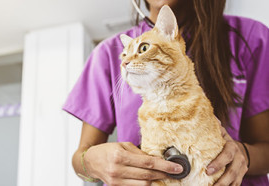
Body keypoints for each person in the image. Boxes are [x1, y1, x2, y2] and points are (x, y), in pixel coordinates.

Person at [63, 0, 269, 185]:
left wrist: (244, 155)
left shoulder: (250, 37)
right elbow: (80, 158)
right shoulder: (109, 54)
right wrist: (91, 162)